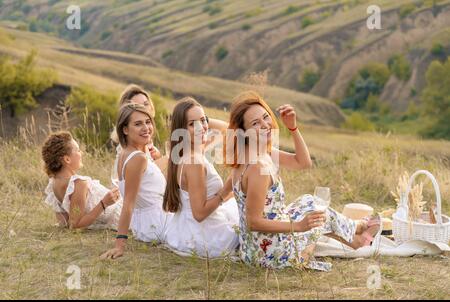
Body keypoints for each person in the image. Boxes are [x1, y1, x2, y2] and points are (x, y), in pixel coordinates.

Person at [227, 91, 380, 271]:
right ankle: (357, 227)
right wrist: (298, 226)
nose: (265, 125)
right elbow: (253, 222)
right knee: (319, 215)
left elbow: (303, 163)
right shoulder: (257, 167)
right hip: (269, 255)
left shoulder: (257, 153)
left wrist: (293, 128)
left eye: (265, 117)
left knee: (309, 201)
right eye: (255, 123)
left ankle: (354, 239)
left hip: (252, 248)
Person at [163, 97, 239, 258]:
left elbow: (229, 130)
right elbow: (199, 214)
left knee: (238, 202)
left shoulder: (186, 151)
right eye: (192, 124)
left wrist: (201, 121)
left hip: (184, 231)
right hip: (207, 237)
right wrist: (225, 190)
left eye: (204, 121)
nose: (202, 127)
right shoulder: (194, 162)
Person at [101, 103, 173, 259]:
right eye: (138, 124)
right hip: (158, 223)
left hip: (147, 223)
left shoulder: (130, 152)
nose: (146, 127)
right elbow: (128, 203)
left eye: (148, 122)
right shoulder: (137, 158)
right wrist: (119, 246)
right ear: (125, 129)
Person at [42, 131, 121, 230]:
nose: (81, 153)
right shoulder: (78, 183)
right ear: (67, 159)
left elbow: (64, 222)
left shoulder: (54, 182)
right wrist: (104, 203)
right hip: (121, 215)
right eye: (78, 150)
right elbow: (75, 225)